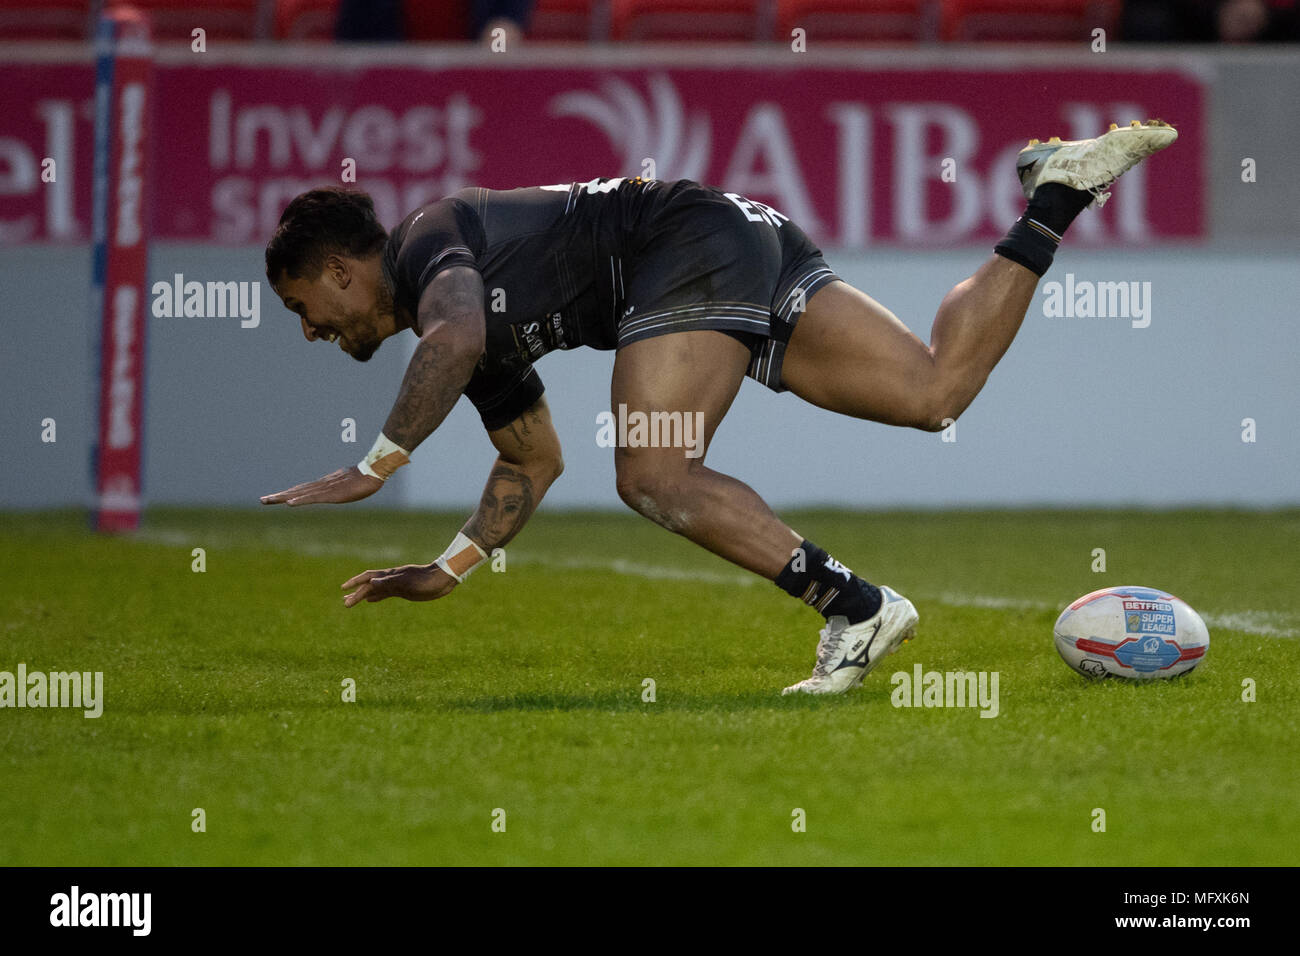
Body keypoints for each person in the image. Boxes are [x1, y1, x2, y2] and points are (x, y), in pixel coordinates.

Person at [261, 121, 1176, 695]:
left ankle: (856, 608)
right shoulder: (463, 326)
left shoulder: (428, 249)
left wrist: (375, 463)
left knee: (653, 469)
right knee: (935, 392)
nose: (311, 333)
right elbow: (530, 461)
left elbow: (449, 342)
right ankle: (1055, 195)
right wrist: (451, 567)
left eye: (306, 307)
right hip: (741, 234)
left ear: (340, 270)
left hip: (683, 244)